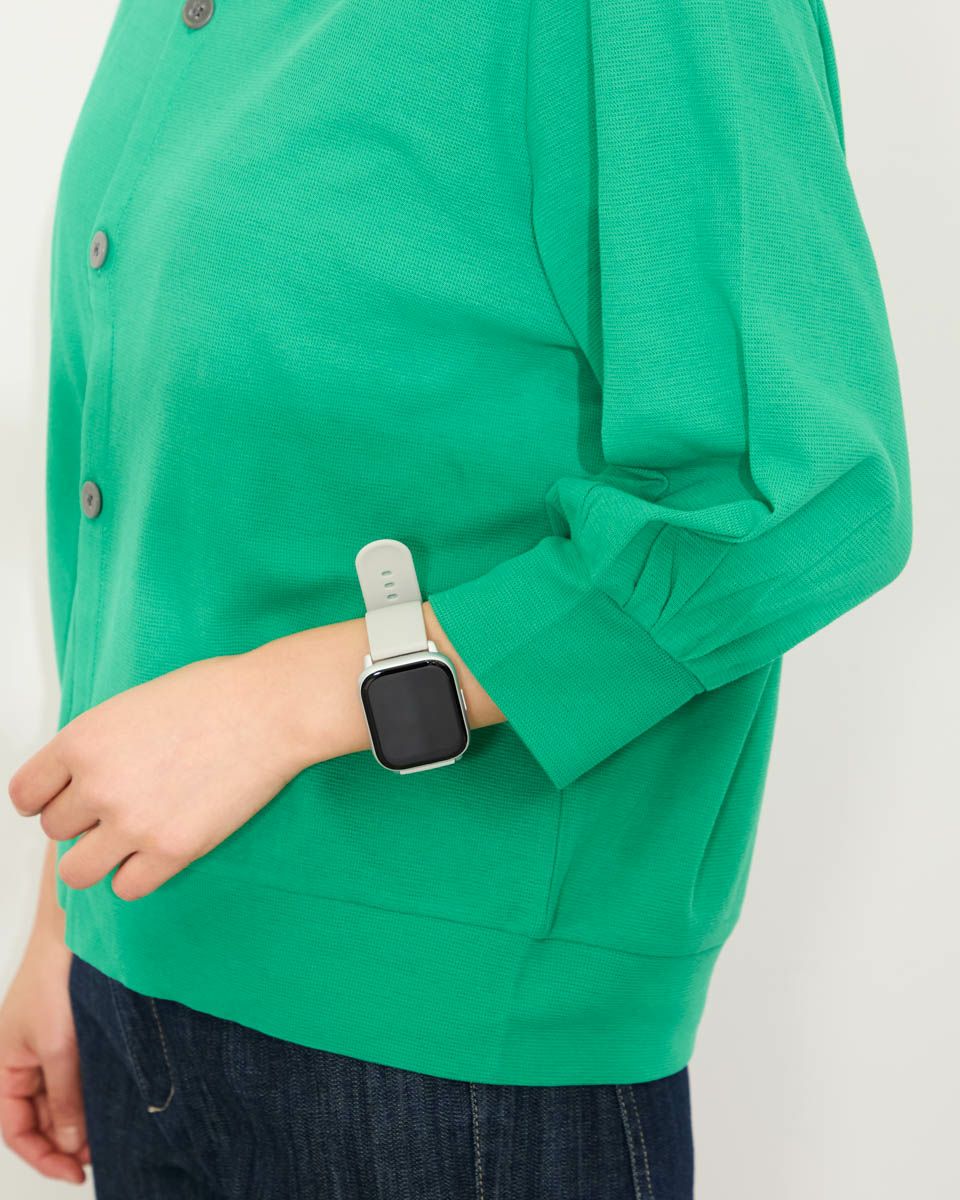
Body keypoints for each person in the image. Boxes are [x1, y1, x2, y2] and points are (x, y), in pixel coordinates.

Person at [1, 1, 911, 1196]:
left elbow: (796, 497)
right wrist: (67, 918)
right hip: (140, 974)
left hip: (442, 1062)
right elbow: (146, 488)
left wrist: (286, 706)